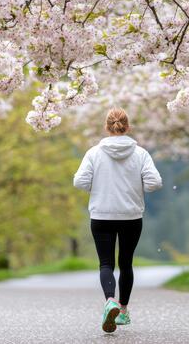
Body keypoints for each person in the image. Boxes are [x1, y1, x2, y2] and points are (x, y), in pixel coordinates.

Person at [73, 107, 163, 333]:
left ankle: (109, 300)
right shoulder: (140, 154)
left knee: (106, 263)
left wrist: (99, 186)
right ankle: (122, 310)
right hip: (131, 216)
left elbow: (80, 182)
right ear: (127, 127)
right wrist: (134, 186)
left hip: (101, 215)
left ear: (106, 127)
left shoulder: (94, 153)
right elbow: (155, 183)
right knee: (126, 263)